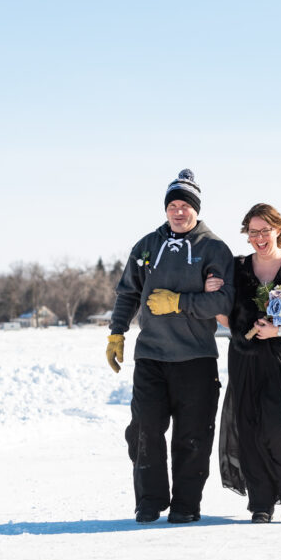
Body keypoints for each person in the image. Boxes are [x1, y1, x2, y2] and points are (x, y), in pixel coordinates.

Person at [105, 169, 235, 524]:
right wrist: (117, 333)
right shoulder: (147, 246)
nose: (179, 212)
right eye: (173, 205)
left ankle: (185, 505)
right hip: (151, 356)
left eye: (185, 206)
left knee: (192, 438)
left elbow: (224, 302)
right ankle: (149, 500)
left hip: (196, 358)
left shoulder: (214, 248)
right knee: (144, 429)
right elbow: (128, 292)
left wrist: (179, 302)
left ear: (196, 208)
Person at [206, 203, 281, 523]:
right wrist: (212, 293)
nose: (259, 237)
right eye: (253, 232)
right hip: (246, 358)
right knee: (250, 428)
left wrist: (278, 330)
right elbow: (226, 316)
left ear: (278, 230)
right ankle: (261, 502)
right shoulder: (237, 267)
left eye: (265, 230)